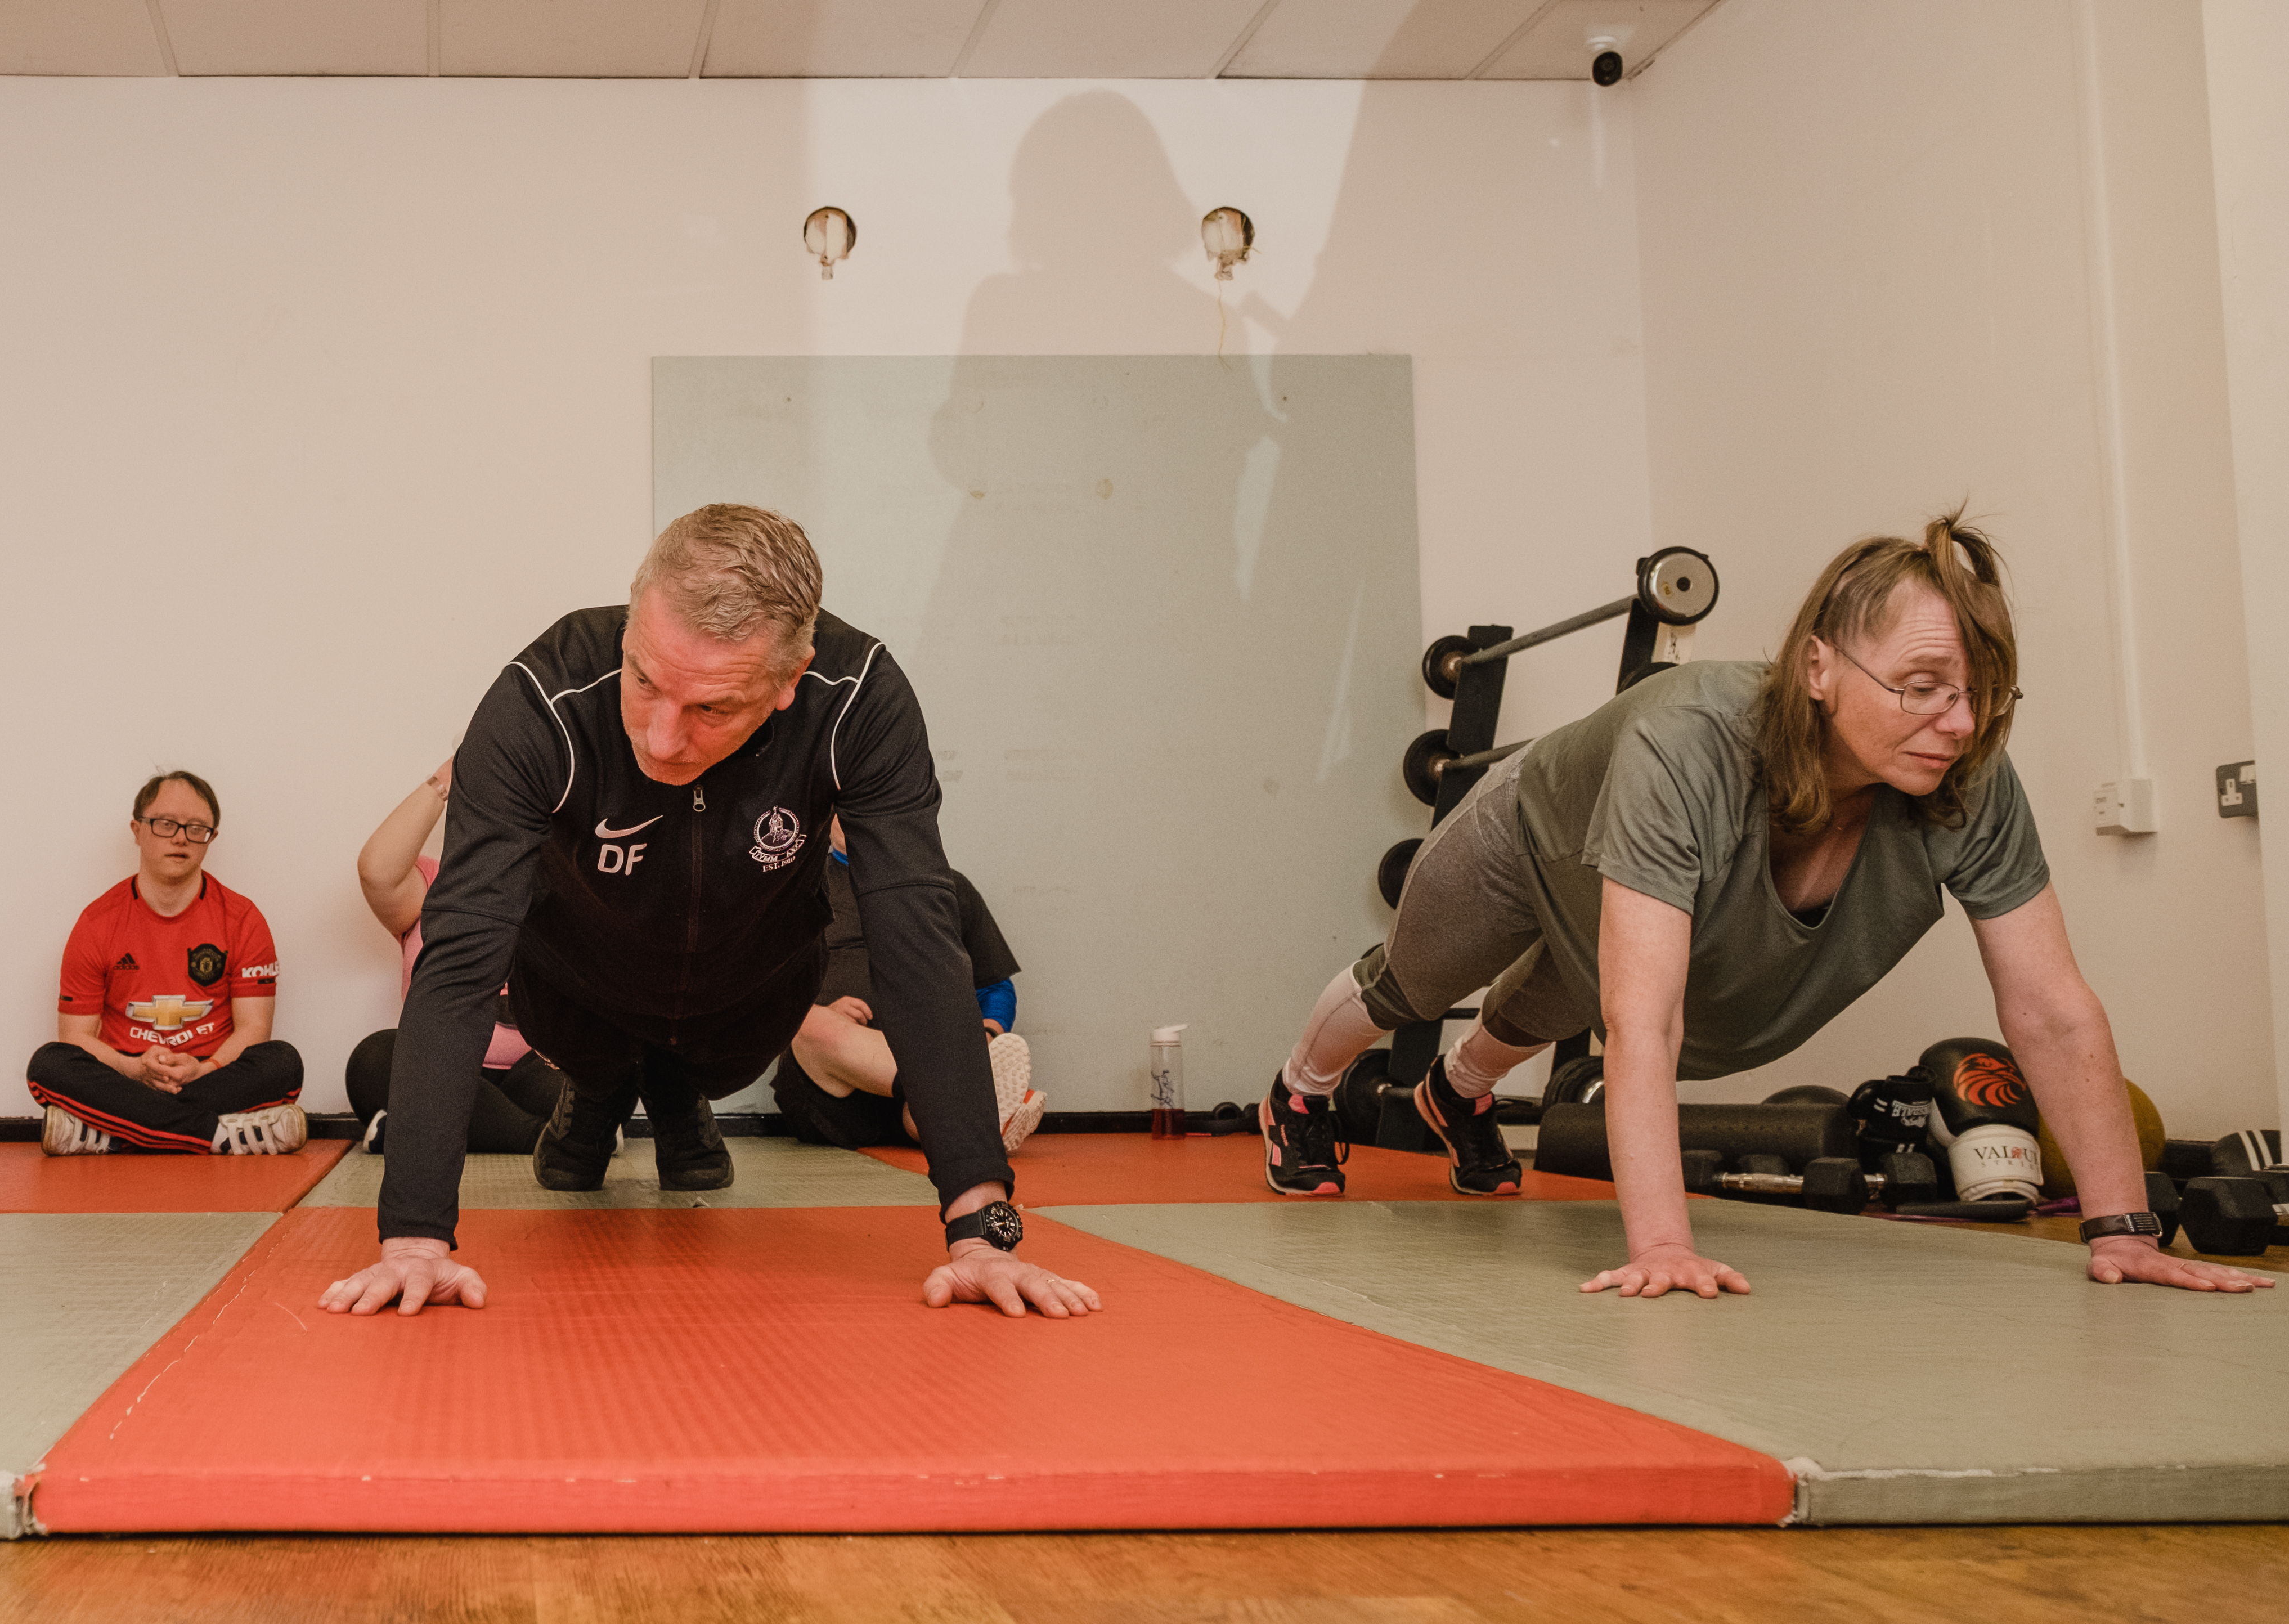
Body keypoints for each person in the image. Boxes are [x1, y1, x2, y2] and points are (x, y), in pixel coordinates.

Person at [1261, 514, 2273, 1300]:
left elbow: (2051, 1007)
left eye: (1980, 695)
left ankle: (1458, 1097)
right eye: (1922, 685)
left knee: (1540, 1010)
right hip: (1534, 832)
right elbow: (1644, 1023)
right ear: (1819, 667)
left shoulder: (1967, 782)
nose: (1957, 724)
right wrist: (1663, 1247)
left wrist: (2125, 1233)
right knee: (1414, 985)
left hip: (1618, 891)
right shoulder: (1689, 744)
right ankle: (1299, 1091)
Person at [318, 504, 1100, 1320]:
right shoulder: (538, 703)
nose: (659, 740)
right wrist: (413, 1238)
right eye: (643, 679)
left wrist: (983, 1231)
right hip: (576, 991)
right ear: (632, 615)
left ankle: (676, 1094)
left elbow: (917, 937)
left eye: (713, 708)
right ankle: (595, 1092)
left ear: (790, 679)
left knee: (716, 1055)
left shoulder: (857, 699)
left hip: (745, 993)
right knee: (580, 1048)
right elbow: (457, 960)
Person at [28, 771, 307, 1156]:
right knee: (48, 1064)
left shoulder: (243, 919)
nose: (180, 837)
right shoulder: (97, 922)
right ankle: (220, 1135)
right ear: (137, 829)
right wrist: (134, 1069)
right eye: (165, 824)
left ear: (212, 838)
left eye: (197, 828)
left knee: (283, 1063)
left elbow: (254, 1028)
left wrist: (203, 1068)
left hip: (209, 1076)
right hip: (126, 1079)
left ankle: (113, 1135)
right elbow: (75, 1037)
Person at [775, 819, 1044, 1155]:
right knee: (811, 1025)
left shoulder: (948, 888)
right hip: (832, 1088)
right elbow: (760, 996)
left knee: (929, 1115)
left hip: (920, 1087)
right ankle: (973, 1104)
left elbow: (995, 989)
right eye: (840, 808)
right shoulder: (796, 892)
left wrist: (988, 1034)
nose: (852, 817)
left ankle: (965, 1120)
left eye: (863, 806)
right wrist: (815, 1011)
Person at [345, 759, 563, 1154]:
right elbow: (376, 870)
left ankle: (417, 1133)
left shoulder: (567, 891)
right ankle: (548, 1139)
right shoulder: (432, 883)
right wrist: (457, 768)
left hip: (537, 1072)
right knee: (374, 1059)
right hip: (437, 1067)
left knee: (597, 1072)